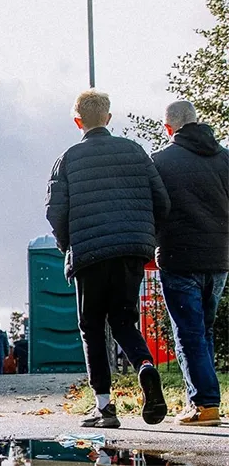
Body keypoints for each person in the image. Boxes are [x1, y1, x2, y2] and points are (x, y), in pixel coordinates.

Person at [46, 90, 170, 429]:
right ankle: (145, 365)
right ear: (109, 118)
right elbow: (162, 199)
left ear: (78, 121)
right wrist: (145, 238)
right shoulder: (135, 151)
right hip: (131, 252)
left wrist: (67, 245)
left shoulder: (68, 158)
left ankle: (104, 406)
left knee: (91, 329)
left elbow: (55, 211)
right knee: (124, 321)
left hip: (89, 254)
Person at [151, 101, 229, 426]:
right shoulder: (225, 158)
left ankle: (204, 403)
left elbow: (153, 209)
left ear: (169, 128)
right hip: (220, 257)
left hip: (179, 257)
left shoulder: (159, 161)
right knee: (204, 330)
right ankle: (201, 399)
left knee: (189, 333)